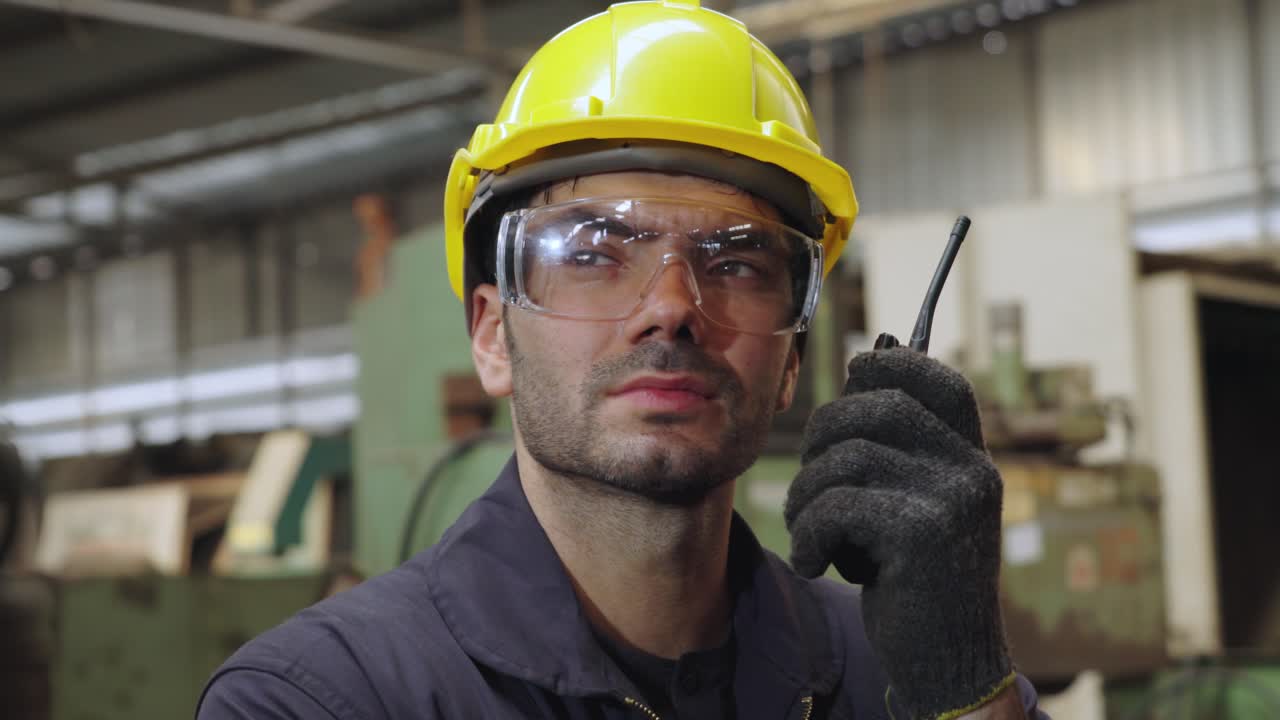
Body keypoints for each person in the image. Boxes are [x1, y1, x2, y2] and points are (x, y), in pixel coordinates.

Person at [198, 1, 1048, 718]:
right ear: (492, 335)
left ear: (791, 356)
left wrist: (968, 694)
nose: (672, 305)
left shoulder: (896, 685)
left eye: (736, 262)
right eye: (594, 253)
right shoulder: (324, 698)